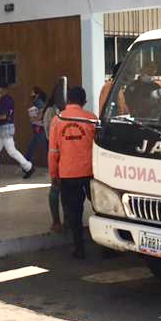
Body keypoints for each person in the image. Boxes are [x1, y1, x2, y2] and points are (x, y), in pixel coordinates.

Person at [48, 86, 96, 259]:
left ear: (68, 100)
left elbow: (53, 151)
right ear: (84, 102)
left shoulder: (57, 119)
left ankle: (79, 248)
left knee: (74, 212)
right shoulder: (92, 119)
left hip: (68, 173)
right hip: (91, 173)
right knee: (100, 208)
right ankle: (109, 248)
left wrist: (54, 174)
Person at [0, 84, 34, 181]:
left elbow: (4, 116)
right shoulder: (5, 99)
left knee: (11, 151)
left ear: (4, 89)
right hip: (3, 129)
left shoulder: (6, 100)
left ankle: (28, 167)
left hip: (5, 129)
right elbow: (3, 112)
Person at [42, 84, 65, 233]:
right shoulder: (51, 112)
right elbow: (50, 136)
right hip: (56, 154)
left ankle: (68, 220)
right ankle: (56, 221)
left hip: (69, 156)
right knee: (55, 187)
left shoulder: (66, 111)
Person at [24, 86, 48, 166]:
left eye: (32, 92)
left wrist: (33, 118)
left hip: (39, 128)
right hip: (38, 128)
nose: (31, 94)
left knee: (41, 146)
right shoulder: (37, 102)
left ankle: (26, 162)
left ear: (37, 94)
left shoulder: (39, 102)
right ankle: (26, 162)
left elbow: (41, 114)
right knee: (34, 145)